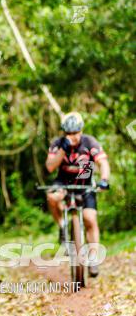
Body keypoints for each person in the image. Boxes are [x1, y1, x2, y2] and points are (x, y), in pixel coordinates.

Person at [45, 111, 110, 276]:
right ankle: (62, 226)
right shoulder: (57, 143)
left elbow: (103, 162)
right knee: (52, 197)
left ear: (81, 130)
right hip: (64, 181)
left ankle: (93, 258)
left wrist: (104, 179)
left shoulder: (89, 142)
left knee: (90, 218)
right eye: (69, 133)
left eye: (75, 133)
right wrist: (62, 150)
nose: (72, 136)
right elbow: (50, 167)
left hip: (84, 182)